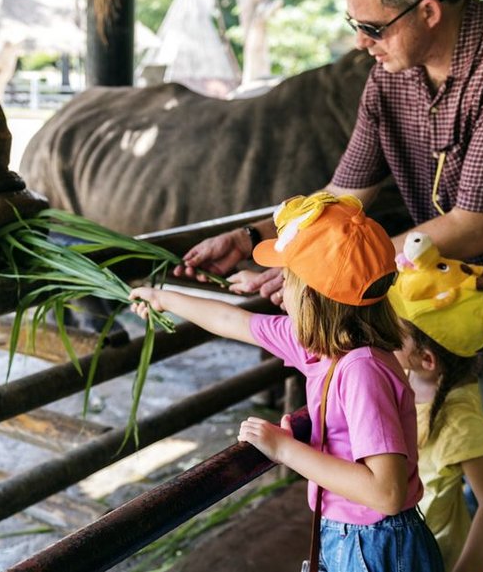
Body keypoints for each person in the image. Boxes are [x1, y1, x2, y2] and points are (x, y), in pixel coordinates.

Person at [174, 0, 483, 570]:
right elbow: (344, 196)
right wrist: (257, 241)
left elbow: (475, 226)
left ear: (428, 10)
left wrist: (328, 266)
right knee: (480, 473)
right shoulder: (392, 69)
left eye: (372, 27)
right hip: (439, 304)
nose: (359, 42)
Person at [132, 193, 443, 572]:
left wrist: (284, 450)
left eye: (288, 279)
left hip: (374, 543)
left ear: (310, 295)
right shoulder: (316, 346)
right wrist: (162, 299)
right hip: (347, 534)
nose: (282, 289)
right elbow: (233, 322)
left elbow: (387, 492)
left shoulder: (362, 371)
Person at [388, 231, 483, 572]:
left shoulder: (458, 416)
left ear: (427, 359)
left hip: (434, 557)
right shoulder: (407, 376)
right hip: (398, 547)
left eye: (393, 330)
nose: (382, 333)